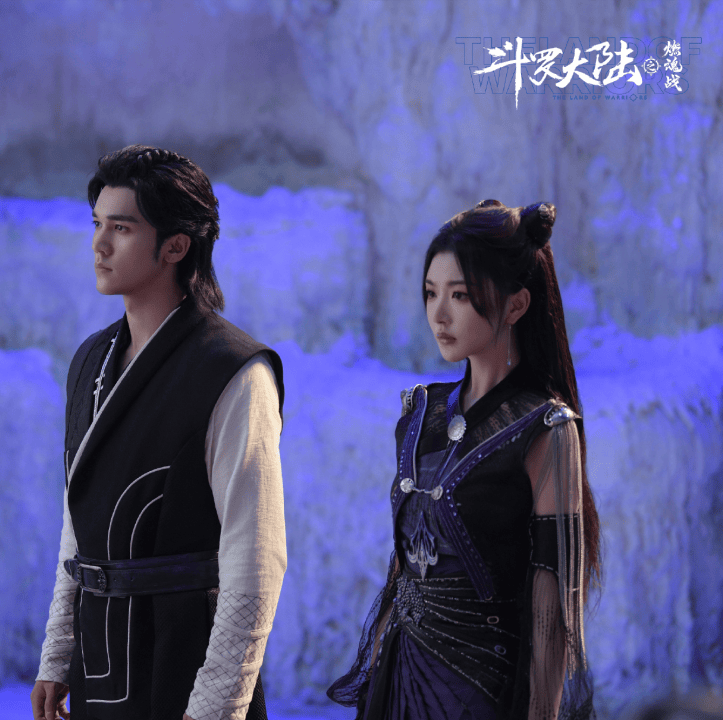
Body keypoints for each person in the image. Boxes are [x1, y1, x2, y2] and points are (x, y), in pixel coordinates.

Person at [31, 145, 287, 720]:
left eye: (121, 228)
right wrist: (57, 654)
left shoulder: (234, 372)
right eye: (97, 224)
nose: (99, 245)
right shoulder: (90, 361)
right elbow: (79, 517)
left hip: (183, 663)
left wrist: (213, 709)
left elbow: (257, 555)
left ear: (176, 246)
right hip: (102, 665)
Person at [327, 200, 601, 719]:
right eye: (431, 293)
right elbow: (403, 566)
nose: (439, 314)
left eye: (460, 295)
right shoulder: (420, 412)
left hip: (479, 691)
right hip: (399, 676)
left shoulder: (547, 428)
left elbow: (553, 606)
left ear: (516, 305)